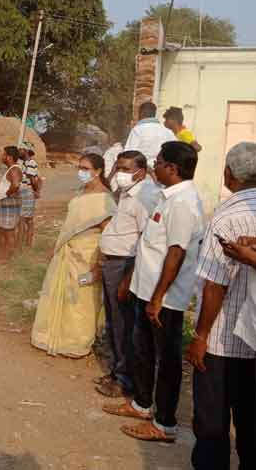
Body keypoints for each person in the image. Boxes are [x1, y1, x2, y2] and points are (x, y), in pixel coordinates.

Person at [103, 141, 204, 444]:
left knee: (167, 360)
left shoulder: (184, 202)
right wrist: (133, 281)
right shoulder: (166, 196)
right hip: (146, 291)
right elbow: (150, 243)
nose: (154, 166)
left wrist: (159, 297)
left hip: (165, 299)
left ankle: (164, 423)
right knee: (142, 350)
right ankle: (142, 404)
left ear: (172, 168)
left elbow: (176, 252)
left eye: (158, 162)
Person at [186, 142, 256, 470]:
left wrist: (200, 336)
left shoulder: (226, 217)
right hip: (252, 343)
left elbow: (215, 284)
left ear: (228, 174)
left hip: (222, 341)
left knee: (212, 427)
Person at [31, 153, 116, 357]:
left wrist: (99, 265)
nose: (82, 172)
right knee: (56, 292)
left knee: (80, 300)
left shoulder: (105, 199)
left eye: (86, 168)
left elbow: (108, 233)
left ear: (98, 171)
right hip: (66, 253)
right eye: (80, 167)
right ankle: (49, 336)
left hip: (87, 256)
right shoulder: (80, 194)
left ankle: (75, 343)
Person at [95, 151, 160, 398]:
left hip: (125, 265)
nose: (119, 173)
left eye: (125, 168)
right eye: (118, 168)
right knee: (115, 321)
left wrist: (128, 276)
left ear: (141, 171)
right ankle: (118, 371)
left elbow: (146, 238)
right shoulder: (126, 192)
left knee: (123, 324)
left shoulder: (145, 196)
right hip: (114, 262)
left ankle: (124, 379)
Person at [0, 147, 23, 262]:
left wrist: (6, 195)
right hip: (4, 203)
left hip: (7, 203)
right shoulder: (10, 169)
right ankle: (3, 254)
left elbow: (15, 185)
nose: (2, 156)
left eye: (3, 154)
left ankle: (7, 257)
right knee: (2, 231)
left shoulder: (14, 170)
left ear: (9, 157)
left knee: (8, 232)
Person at [125, 101, 176, 169]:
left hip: (142, 171)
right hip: (162, 173)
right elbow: (175, 154)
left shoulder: (137, 130)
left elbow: (128, 154)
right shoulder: (168, 131)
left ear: (141, 113)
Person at [17, 141, 42, 248]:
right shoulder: (23, 163)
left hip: (27, 191)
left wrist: (36, 191)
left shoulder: (31, 163)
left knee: (24, 219)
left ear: (26, 151)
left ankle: (23, 242)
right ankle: (26, 242)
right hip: (24, 191)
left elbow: (33, 179)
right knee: (26, 218)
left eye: (21, 150)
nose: (19, 152)